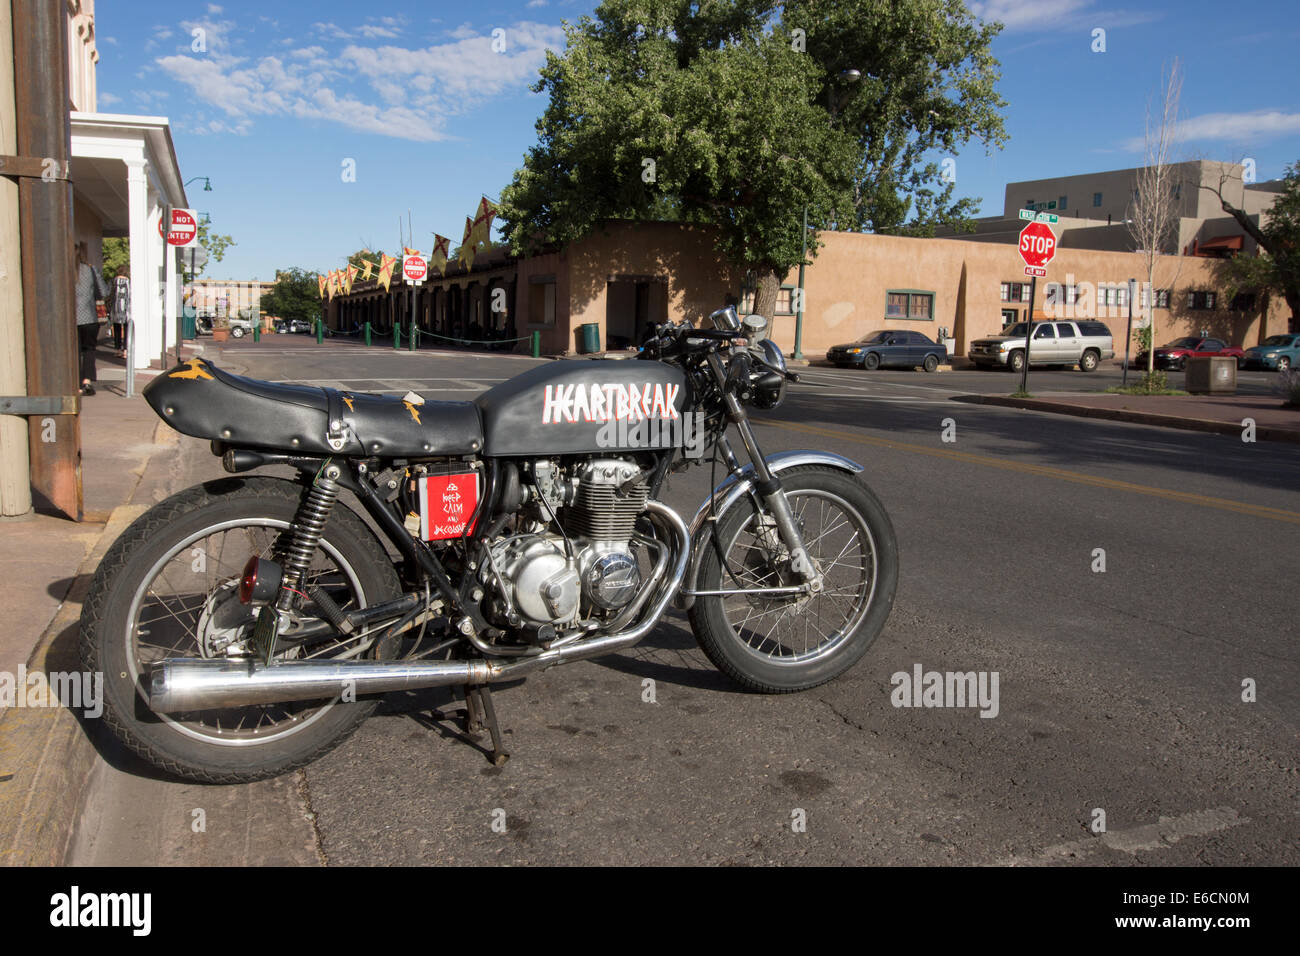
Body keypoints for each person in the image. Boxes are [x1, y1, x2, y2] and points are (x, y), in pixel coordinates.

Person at [75, 242, 107, 396]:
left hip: (70, 319)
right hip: (89, 318)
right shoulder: (90, 269)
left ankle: (75, 384)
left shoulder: (63, 270)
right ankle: (86, 381)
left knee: (74, 351)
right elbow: (104, 291)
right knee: (89, 350)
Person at [109, 264, 130, 356]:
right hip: (126, 308)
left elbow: (109, 293)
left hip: (115, 307)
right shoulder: (129, 281)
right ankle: (125, 350)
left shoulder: (113, 281)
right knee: (126, 328)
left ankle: (117, 349)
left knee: (117, 328)